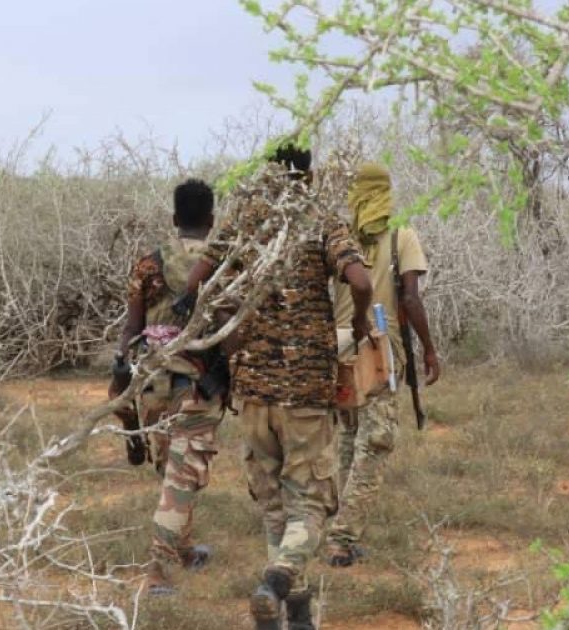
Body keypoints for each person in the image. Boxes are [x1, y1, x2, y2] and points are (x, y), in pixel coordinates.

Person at [184, 143, 373, 630]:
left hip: (252, 390)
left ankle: (293, 616)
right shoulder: (319, 217)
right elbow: (360, 279)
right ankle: (282, 577)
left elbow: (196, 283)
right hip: (305, 391)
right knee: (308, 503)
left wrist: (229, 346)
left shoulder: (244, 220)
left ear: (268, 173)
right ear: (307, 176)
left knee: (274, 504)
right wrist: (363, 327)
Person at [108, 178, 226, 596]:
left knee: (173, 470)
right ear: (212, 221)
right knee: (183, 473)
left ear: (175, 219)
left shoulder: (149, 263)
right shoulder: (222, 264)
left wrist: (122, 371)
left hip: (153, 380)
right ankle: (157, 570)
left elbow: (132, 328)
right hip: (197, 383)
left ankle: (185, 547)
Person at [325, 162, 441, 567]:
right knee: (375, 441)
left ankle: (342, 522)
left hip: (340, 345)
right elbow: (409, 298)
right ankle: (342, 537)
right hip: (380, 350)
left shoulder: (338, 237)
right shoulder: (401, 235)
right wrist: (428, 348)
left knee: (348, 436)